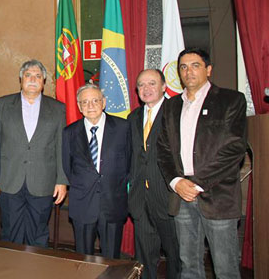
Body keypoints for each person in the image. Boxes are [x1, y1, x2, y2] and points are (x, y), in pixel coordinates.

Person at [157, 48, 247, 278]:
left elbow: (234, 149)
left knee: (225, 268)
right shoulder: (171, 106)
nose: (189, 71)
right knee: (188, 266)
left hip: (217, 196)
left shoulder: (231, 100)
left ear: (208, 69)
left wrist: (196, 184)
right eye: (184, 67)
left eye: (195, 65)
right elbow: (164, 149)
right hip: (181, 196)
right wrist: (177, 182)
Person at [0, 59, 67, 247]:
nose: (33, 79)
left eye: (37, 76)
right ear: (20, 80)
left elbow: (61, 146)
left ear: (44, 81)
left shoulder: (58, 108)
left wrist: (62, 180)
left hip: (43, 181)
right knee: (10, 233)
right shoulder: (2, 104)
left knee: (39, 234)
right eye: (28, 75)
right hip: (9, 181)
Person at [62, 84, 131, 259]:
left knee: (111, 260)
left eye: (95, 100)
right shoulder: (69, 132)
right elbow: (67, 167)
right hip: (83, 203)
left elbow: (130, 163)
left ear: (104, 103)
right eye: (85, 102)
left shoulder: (123, 127)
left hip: (112, 203)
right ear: (79, 106)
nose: (90, 106)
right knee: (83, 260)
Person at [128, 69, 180, 279]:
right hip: (140, 199)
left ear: (164, 86)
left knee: (176, 255)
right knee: (144, 257)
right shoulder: (133, 117)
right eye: (141, 85)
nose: (146, 89)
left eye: (152, 83)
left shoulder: (176, 111)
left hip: (168, 196)